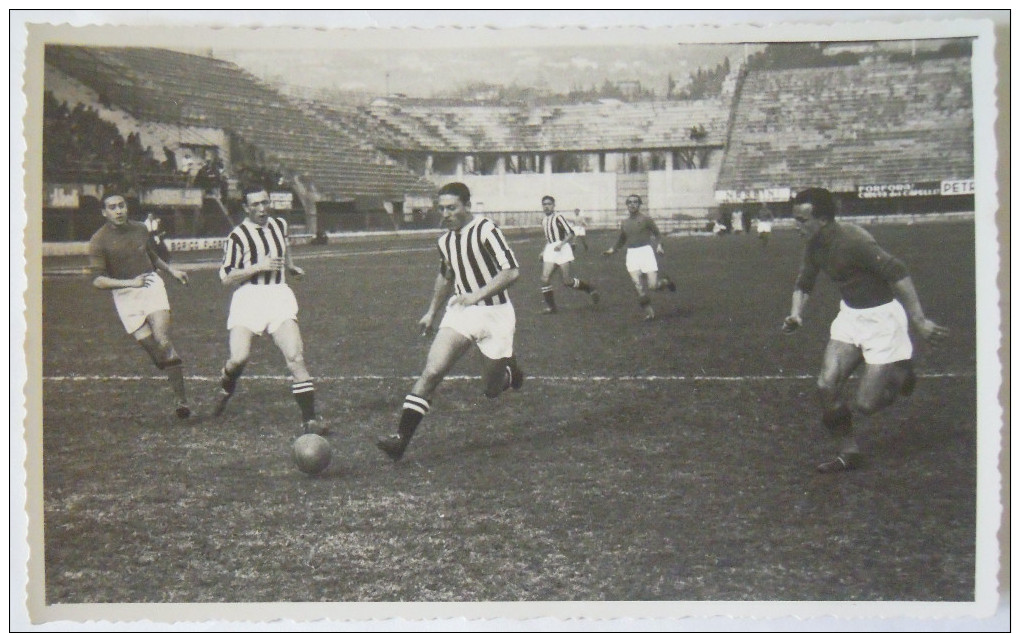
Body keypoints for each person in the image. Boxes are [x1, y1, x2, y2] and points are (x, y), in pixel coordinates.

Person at [782, 187, 949, 473]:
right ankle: (849, 452)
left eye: (801, 220)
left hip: (883, 321)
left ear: (822, 219)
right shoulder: (814, 245)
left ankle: (901, 373)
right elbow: (804, 282)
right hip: (850, 317)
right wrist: (796, 314)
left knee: (866, 405)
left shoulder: (854, 240)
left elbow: (898, 272)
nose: (795, 225)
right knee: (826, 386)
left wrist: (919, 321)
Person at [377, 182, 524, 460]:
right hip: (461, 312)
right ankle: (400, 440)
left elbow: (512, 271)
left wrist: (476, 294)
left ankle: (510, 373)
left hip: (495, 314)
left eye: (452, 208)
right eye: (442, 208)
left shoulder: (486, 230)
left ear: (466, 206)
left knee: (491, 390)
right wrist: (432, 311)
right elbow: (446, 275)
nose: (446, 213)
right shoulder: (444, 240)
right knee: (432, 371)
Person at [213, 186, 329, 436]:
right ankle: (227, 379)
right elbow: (226, 277)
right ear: (246, 207)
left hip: (278, 294)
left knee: (295, 356)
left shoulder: (279, 225)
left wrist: (291, 266)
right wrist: (258, 267)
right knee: (239, 359)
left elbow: (284, 247)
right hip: (248, 298)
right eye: (255, 204)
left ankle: (310, 421)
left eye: (265, 202)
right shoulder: (237, 236)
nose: (262, 208)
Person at [88, 189, 191, 420]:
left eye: (121, 205)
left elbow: (151, 255)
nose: (118, 210)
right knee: (157, 355)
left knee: (163, 341)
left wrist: (172, 271)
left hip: (150, 284)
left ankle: (181, 402)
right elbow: (97, 280)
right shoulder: (98, 241)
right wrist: (130, 283)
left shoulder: (140, 229)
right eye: (112, 207)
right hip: (125, 295)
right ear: (104, 212)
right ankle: (170, 366)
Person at [603, 194, 677, 321]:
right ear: (627, 205)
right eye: (630, 202)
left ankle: (666, 282)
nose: (632, 204)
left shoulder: (646, 219)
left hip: (646, 253)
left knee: (653, 286)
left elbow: (658, 234)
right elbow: (622, 239)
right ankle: (650, 313)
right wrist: (612, 250)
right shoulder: (624, 222)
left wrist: (659, 245)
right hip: (632, 255)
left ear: (639, 204)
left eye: (635, 202)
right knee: (638, 286)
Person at [538, 196, 599, 314]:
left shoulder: (558, 217)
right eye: (544, 204)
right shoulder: (544, 220)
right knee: (544, 279)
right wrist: (543, 251)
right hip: (551, 249)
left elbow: (571, 233)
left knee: (567, 281)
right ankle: (551, 308)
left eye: (549, 204)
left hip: (563, 249)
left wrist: (561, 244)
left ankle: (589, 288)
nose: (546, 206)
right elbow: (549, 238)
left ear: (554, 205)